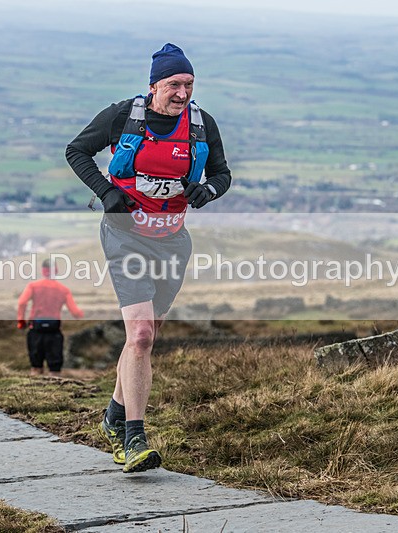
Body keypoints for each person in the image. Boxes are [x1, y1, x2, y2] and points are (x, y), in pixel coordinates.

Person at [66, 43, 232, 473]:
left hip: (172, 242)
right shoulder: (124, 116)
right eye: (175, 84)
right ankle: (132, 438)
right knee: (140, 335)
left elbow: (222, 174)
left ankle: (113, 415)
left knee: (144, 337)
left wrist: (207, 191)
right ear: (154, 85)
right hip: (126, 238)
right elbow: (77, 151)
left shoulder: (200, 124)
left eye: (189, 84)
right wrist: (106, 192)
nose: (183, 93)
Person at [17, 258, 84, 377]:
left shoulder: (33, 286)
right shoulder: (64, 290)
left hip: (35, 331)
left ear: (43, 271)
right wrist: (81, 314)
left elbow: (22, 302)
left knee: (36, 368)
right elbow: (75, 313)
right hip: (54, 333)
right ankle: (55, 394)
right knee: (55, 370)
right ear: (56, 270)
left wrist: (21, 321)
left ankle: (34, 394)